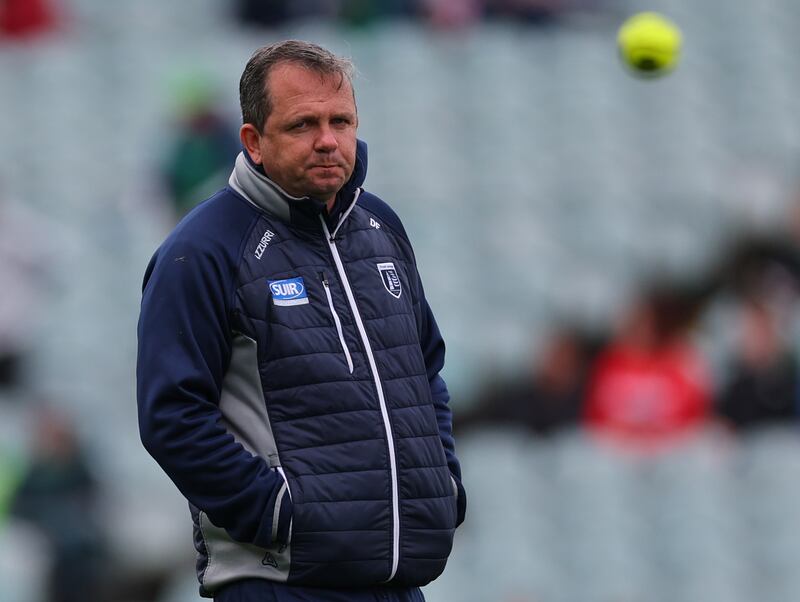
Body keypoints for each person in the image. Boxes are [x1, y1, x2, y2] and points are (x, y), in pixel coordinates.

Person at [136, 40, 466, 601]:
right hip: (281, 583)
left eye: (341, 120)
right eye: (302, 125)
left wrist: (443, 485)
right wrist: (277, 514)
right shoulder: (202, 249)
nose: (328, 141)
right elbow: (172, 417)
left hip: (397, 579)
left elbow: (425, 370)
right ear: (253, 142)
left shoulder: (381, 228)